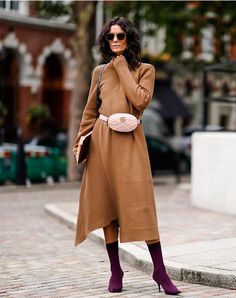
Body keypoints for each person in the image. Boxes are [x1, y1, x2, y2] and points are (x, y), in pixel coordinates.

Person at [73, 16, 181, 296]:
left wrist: (121, 67)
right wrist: (81, 143)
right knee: (107, 206)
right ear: (105, 41)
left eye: (121, 36)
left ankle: (160, 270)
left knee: (140, 203)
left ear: (129, 38)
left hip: (131, 141)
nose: (116, 40)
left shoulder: (146, 69)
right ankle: (115, 270)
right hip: (101, 141)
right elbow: (89, 111)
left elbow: (140, 100)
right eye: (111, 37)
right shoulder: (98, 72)